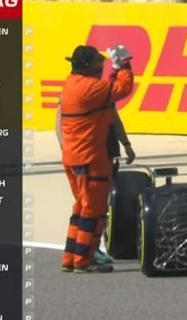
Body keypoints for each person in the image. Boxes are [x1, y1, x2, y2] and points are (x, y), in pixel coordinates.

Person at [59, 45, 134, 273]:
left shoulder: (72, 84)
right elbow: (122, 88)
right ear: (87, 66)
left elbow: (106, 89)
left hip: (74, 156)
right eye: (97, 63)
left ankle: (70, 259)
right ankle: (83, 261)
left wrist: (115, 70)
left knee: (81, 208)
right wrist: (124, 66)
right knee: (94, 211)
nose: (101, 66)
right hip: (91, 157)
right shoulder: (89, 89)